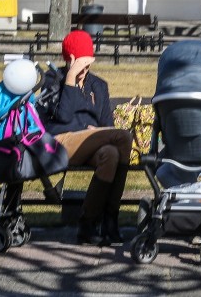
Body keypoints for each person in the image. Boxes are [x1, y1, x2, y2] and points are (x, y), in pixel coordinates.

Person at [40, 29, 133, 246]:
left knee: (111, 153)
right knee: (125, 137)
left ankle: (90, 223)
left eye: (88, 64)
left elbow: (107, 126)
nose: (86, 69)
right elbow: (62, 118)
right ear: (71, 59)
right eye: (82, 64)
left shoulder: (98, 86)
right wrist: (71, 77)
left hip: (91, 144)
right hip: (61, 142)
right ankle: (111, 219)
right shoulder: (54, 79)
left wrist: (96, 132)